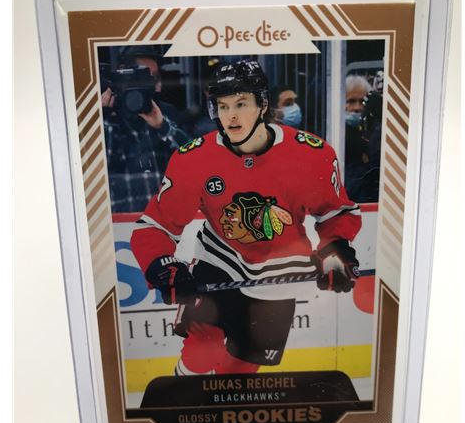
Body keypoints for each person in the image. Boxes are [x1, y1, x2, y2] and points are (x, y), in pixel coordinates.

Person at [130, 60, 362, 376]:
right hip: (217, 264)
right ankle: (183, 397)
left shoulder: (311, 155)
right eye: (223, 106)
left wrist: (335, 249)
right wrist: (161, 264)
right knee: (201, 356)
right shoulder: (194, 159)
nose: (231, 116)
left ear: (262, 104)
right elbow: (155, 226)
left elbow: (336, 213)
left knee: (238, 377)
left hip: (278, 280)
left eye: (241, 104)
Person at [101, 46, 191, 213]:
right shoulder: (109, 119)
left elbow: (195, 160)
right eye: (142, 76)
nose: (151, 84)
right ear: (123, 75)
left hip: (164, 220)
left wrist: (162, 126)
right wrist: (100, 116)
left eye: (154, 78)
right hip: (123, 224)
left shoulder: (166, 113)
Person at [343, 74, 381, 203]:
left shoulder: (373, 130)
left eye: (362, 102)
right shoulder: (338, 134)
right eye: (351, 101)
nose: (357, 108)